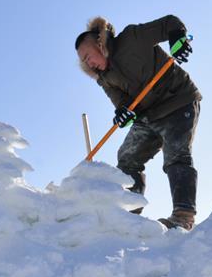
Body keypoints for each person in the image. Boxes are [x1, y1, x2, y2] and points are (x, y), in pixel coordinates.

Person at [75, 15, 202, 230]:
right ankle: (129, 216)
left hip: (177, 100)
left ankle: (183, 216)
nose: (89, 63)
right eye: (84, 61)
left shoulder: (132, 38)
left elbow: (170, 23)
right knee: (127, 158)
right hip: (149, 115)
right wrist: (123, 113)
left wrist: (177, 39)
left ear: (99, 43)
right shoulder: (104, 78)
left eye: (88, 56)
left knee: (176, 154)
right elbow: (122, 102)